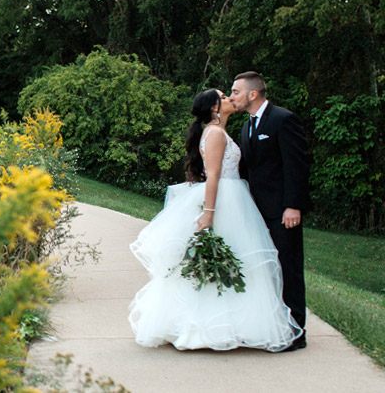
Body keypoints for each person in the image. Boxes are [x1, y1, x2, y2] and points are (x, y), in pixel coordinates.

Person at [129, 89, 302, 352]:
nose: (230, 99)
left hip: (234, 199)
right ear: (213, 108)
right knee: (229, 261)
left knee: (232, 261)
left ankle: (235, 325)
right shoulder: (216, 133)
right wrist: (208, 213)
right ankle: (209, 327)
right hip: (224, 201)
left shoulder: (221, 131)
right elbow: (213, 176)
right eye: (223, 97)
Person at [228, 71, 312, 352]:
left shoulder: (282, 119)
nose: (232, 97)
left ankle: (296, 333)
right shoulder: (247, 126)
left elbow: (296, 165)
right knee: (267, 270)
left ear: (253, 94)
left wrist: (293, 205)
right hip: (256, 212)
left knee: (288, 268)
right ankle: (273, 326)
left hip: (282, 211)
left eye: (236, 92)